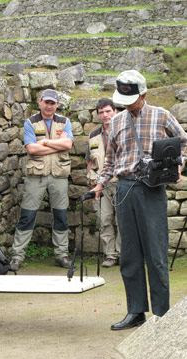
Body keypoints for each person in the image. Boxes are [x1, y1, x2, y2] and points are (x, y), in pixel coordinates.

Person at [92, 70, 187, 330]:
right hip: (124, 190)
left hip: (151, 189)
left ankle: (162, 314)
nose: (126, 104)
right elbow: (110, 159)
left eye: (132, 98)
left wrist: (179, 165)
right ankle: (135, 311)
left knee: (156, 254)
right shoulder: (116, 122)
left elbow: (184, 143)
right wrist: (100, 183)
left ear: (143, 94)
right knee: (130, 255)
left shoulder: (162, 115)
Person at [10, 89, 73, 271]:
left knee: (61, 216)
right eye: (46, 102)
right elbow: (31, 149)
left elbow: (68, 144)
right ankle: (17, 255)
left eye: (52, 103)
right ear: (39, 102)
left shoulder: (65, 122)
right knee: (27, 216)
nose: (49, 106)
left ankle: (62, 254)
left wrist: (45, 143)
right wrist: (56, 145)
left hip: (59, 175)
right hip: (35, 176)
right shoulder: (30, 122)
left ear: (57, 105)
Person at [86, 98, 120, 268]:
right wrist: (92, 183)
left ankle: (124, 254)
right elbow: (90, 161)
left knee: (123, 221)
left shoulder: (124, 129)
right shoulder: (93, 135)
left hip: (122, 182)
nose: (105, 115)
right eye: (101, 112)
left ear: (115, 111)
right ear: (98, 115)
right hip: (101, 185)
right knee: (104, 219)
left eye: (108, 111)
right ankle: (110, 255)